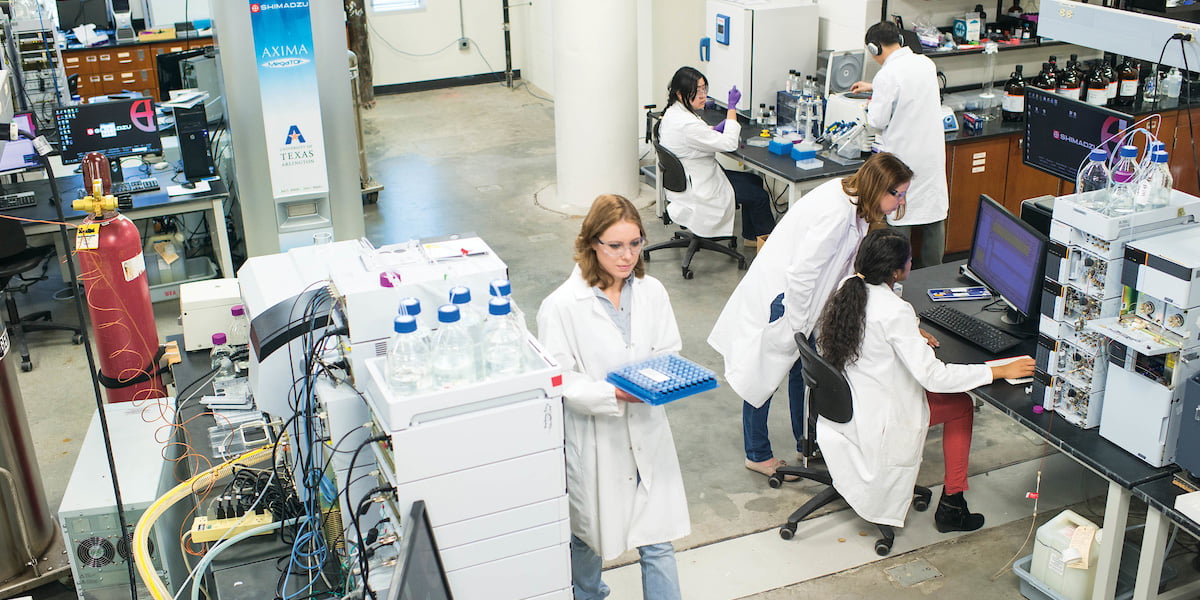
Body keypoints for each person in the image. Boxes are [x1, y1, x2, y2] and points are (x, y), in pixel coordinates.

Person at [815, 228, 1036, 531]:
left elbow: (874, 329)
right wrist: (998, 370)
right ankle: (952, 505)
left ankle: (953, 502)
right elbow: (933, 377)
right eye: (908, 260)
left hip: (853, 399)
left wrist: (911, 333)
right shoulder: (895, 311)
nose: (911, 263)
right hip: (882, 414)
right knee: (961, 405)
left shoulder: (849, 287)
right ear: (897, 271)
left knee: (955, 401)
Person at [708, 152, 913, 478]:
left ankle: (806, 443)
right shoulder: (836, 212)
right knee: (764, 375)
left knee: (801, 372)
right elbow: (803, 274)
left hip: (806, 299)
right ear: (877, 187)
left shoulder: (853, 204)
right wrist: (799, 323)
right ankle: (757, 454)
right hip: (787, 298)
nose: (900, 201)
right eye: (896, 194)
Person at [537, 194, 689, 600]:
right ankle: (586, 594)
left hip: (647, 429)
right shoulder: (562, 306)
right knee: (588, 534)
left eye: (635, 244)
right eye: (615, 246)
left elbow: (668, 349)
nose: (627, 256)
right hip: (597, 437)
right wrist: (613, 393)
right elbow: (560, 381)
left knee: (658, 538)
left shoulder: (651, 291)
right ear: (592, 244)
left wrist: (659, 380)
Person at [849, 21, 948, 269]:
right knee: (933, 217)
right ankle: (934, 276)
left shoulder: (887, 75)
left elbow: (877, 120)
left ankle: (899, 275)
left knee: (901, 216)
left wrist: (870, 102)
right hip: (931, 158)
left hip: (903, 161)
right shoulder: (925, 63)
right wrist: (876, 88)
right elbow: (910, 88)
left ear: (874, 48)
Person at [658, 66, 775, 247]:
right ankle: (770, 251)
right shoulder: (687, 124)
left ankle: (752, 238)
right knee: (759, 196)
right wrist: (731, 109)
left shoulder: (673, 113)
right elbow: (729, 144)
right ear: (681, 94)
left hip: (689, 181)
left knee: (754, 180)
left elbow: (697, 135)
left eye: (705, 89)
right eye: (698, 92)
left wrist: (716, 129)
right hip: (701, 190)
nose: (703, 95)